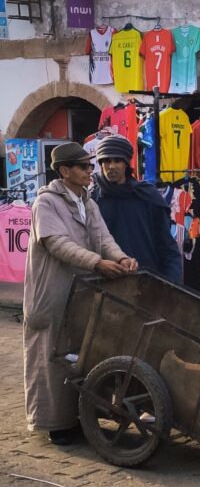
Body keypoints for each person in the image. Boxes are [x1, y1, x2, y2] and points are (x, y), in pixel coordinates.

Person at [23, 142, 138, 445]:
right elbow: (57, 243)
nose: (91, 171)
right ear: (64, 171)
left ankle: (78, 417)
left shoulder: (87, 202)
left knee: (80, 353)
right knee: (50, 357)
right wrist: (97, 262)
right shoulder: (46, 203)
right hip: (52, 292)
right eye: (84, 167)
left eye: (90, 166)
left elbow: (103, 238)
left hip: (81, 292)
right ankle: (54, 424)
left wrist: (121, 257)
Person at [90, 134, 182, 283]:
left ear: (126, 163)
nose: (111, 166)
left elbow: (167, 245)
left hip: (147, 280)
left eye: (117, 160)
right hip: (106, 282)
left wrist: (173, 284)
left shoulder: (147, 195)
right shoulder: (92, 200)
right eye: (106, 161)